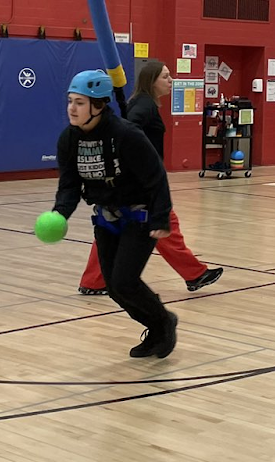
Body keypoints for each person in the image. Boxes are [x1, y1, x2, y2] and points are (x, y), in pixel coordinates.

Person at [53, 70, 178, 359]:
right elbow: (69, 184)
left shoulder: (126, 135)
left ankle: (163, 323)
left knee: (125, 281)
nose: (72, 108)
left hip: (140, 216)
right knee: (113, 287)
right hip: (106, 218)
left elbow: (156, 177)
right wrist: (60, 213)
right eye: (70, 101)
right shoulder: (69, 139)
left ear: (98, 105)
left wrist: (160, 219)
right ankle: (156, 326)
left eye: (80, 103)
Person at [79, 59, 223, 297]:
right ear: (151, 81)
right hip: (142, 182)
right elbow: (129, 128)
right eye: (165, 76)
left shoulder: (141, 102)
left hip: (133, 180)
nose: (171, 80)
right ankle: (195, 274)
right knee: (164, 223)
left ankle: (93, 282)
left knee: (113, 227)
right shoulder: (144, 105)